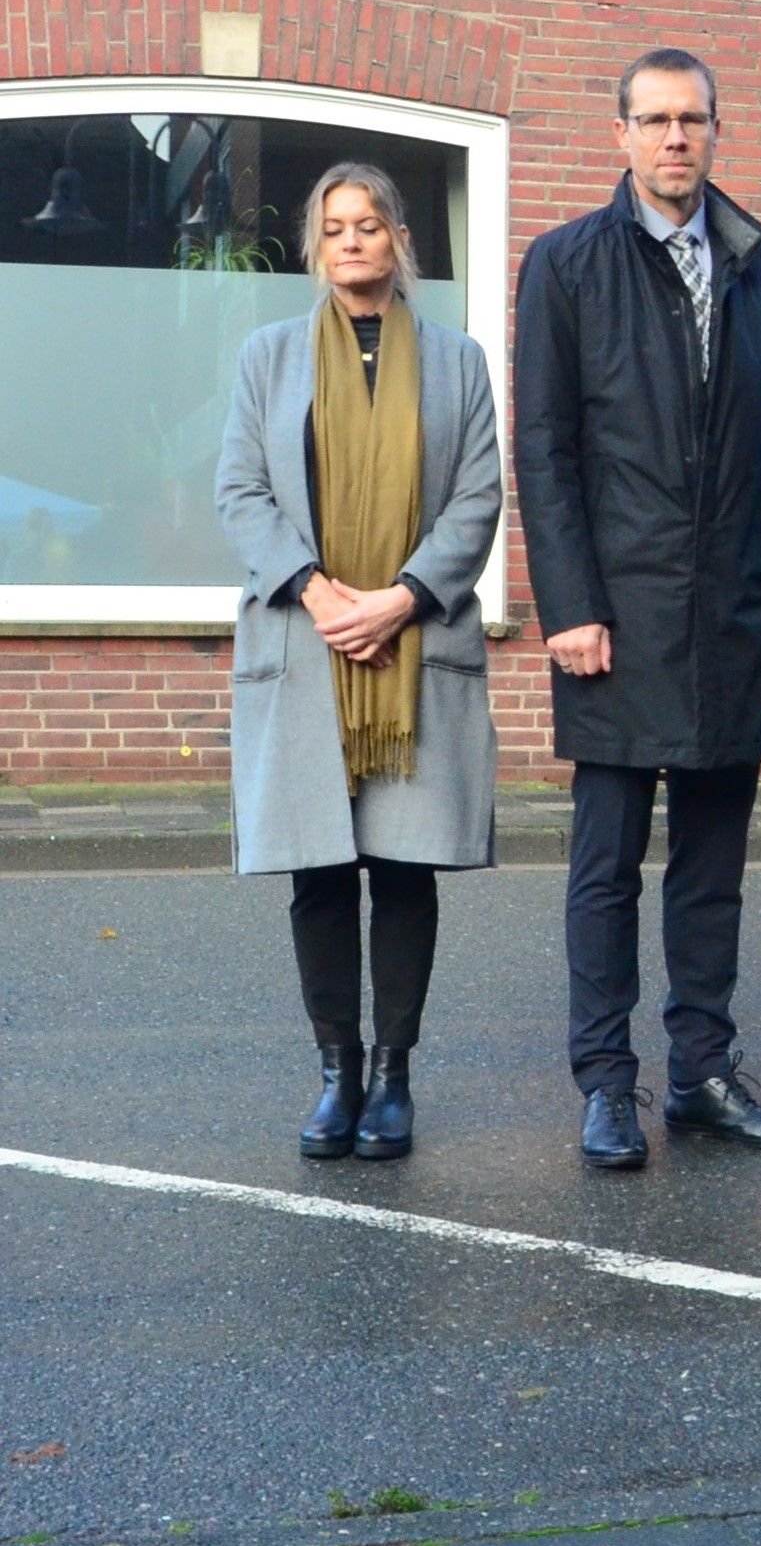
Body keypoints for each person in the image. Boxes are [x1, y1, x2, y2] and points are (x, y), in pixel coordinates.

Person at [514, 48, 761, 1171]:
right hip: (614, 617)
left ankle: (700, 1072)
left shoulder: (758, 267)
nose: (675, 138)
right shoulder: (566, 263)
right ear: (621, 134)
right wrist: (569, 606)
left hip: (731, 613)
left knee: (711, 867)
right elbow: (544, 451)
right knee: (604, 866)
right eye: (654, 119)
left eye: (693, 119)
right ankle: (606, 1082)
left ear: (714, 131)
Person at [217, 162, 502, 1162]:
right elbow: (241, 491)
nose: (350, 242)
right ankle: (335, 1071)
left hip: (411, 642)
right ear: (315, 247)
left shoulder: (457, 360)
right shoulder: (270, 357)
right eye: (333, 228)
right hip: (309, 641)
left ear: (397, 242)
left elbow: (477, 497)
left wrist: (400, 598)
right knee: (322, 873)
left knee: (404, 868)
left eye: (367, 225)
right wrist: (320, 590)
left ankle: (394, 1076)